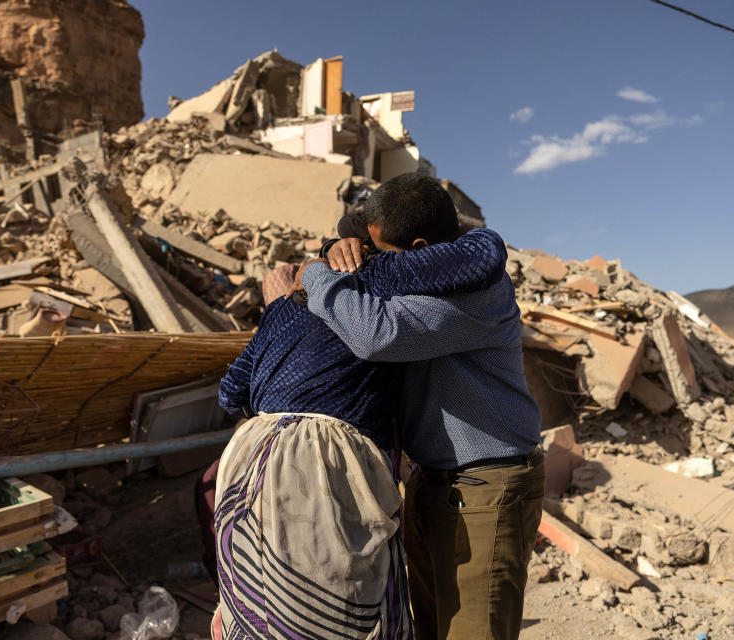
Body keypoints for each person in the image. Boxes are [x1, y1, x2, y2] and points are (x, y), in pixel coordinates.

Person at [210, 206, 507, 640]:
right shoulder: (382, 286)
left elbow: (229, 393)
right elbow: (483, 255)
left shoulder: (286, 307)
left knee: (263, 597)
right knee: (341, 593)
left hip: (250, 460)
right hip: (325, 467)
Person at [300, 173, 545, 640]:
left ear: (417, 248)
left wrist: (315, 275)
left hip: (486, 488)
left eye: (383, 254)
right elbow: (358, 230)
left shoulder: (475, 289)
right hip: (437, 482)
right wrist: (340, 244)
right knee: (432, 625)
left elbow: (375, 333)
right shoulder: (429, 269)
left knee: (473, 632)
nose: (375, 265)